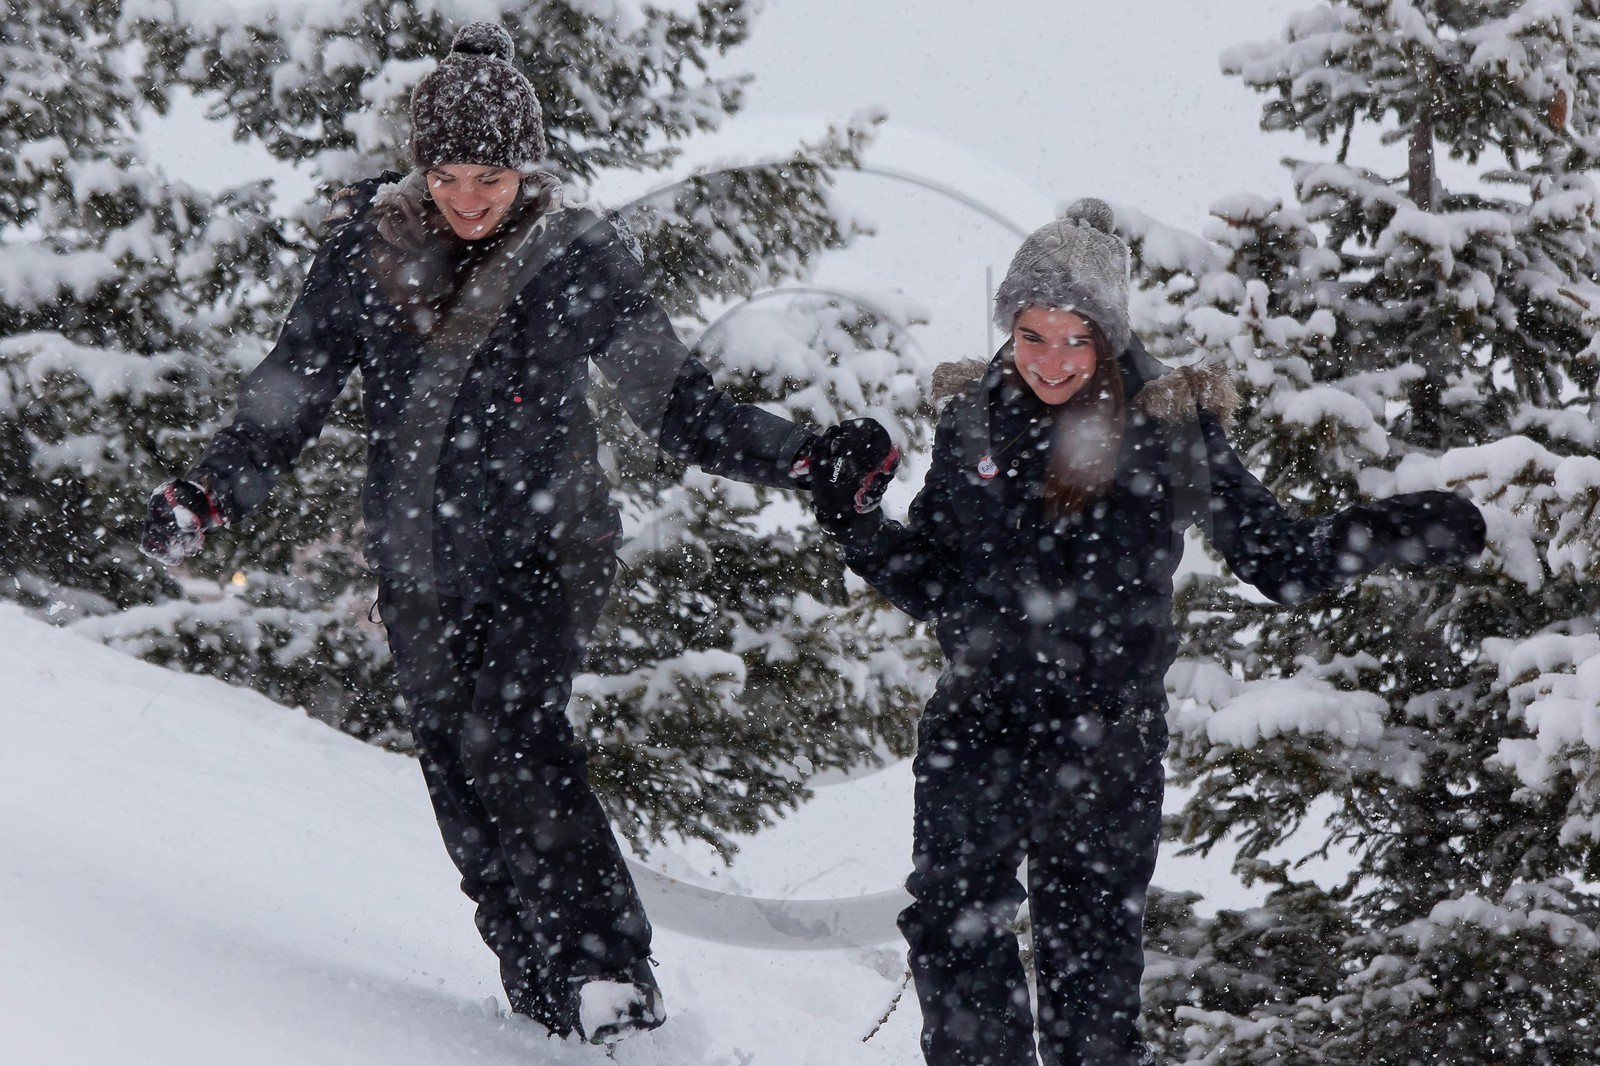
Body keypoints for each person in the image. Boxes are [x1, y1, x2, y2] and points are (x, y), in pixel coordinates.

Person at [137, 22, 897, 1046]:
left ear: (526, 171)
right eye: (448, 175)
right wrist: (211, 490)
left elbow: (678, 407)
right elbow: (293, 388)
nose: (467, 197)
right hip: (420, 561)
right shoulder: (369, 254)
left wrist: (806, 456)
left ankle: (609, 976)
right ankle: (540, 1003)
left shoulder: (574, 258)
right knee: (457, 771)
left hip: (552, 548)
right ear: (421, 168)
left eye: (489, 176)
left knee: (513, 729)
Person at [808, 199, 1486, 1066]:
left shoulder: (1168, 424)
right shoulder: (972, 417)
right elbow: (937, 584)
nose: (1052, 360)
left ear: (1110, 337)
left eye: (1075, 339)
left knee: (1091, 985)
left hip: (1106, 741)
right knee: (952, 931)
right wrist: (857, 523)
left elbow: (1278, 559)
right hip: (976, 728)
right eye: (1032, 335)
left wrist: (1394, 530)